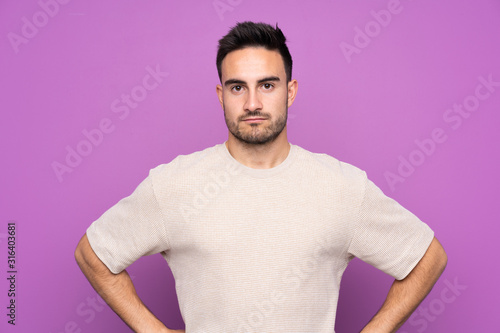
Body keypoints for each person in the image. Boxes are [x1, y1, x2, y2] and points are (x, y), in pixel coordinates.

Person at [74, 21, 447, 333]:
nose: (253, 103)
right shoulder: (174, 185)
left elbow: (427, 258)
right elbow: (93, 254)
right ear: (221, 95)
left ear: (291, 91)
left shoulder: (342, 187)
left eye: (267, 85)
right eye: (238, 87)